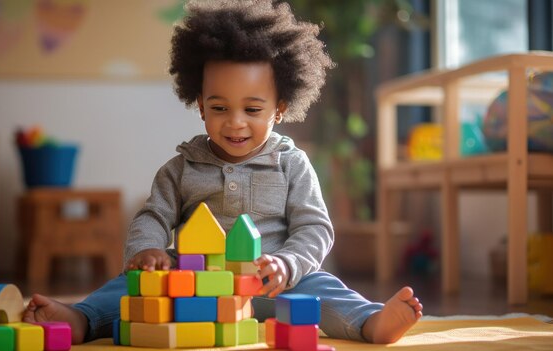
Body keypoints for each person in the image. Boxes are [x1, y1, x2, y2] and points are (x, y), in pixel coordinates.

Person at [23, 0, 423, 344]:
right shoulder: (180, 168)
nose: (235, 123)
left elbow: (314, 228)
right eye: (219, 108)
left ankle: (370, 323)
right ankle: (82, 318)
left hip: (273, 283)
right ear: (199, 105)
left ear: (279, 108)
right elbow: (153, 217)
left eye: (252, 109)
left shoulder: (291, 163)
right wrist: (148, 252)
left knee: (325, 291)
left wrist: (288, 264)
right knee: (126, 291)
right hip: (192, 285)